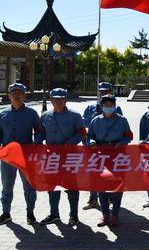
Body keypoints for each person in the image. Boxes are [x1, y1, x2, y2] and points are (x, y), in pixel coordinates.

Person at [35, 88, 85, 226]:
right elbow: (41, 132)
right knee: (52, 186)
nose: (58, 101)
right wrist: (37, 141)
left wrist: (71, 142)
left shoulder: (75, 116)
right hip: (52, 157)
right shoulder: (45, 115)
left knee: (72, 186)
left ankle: (73, 215)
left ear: (66, 99)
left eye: (61, 98)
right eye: (55, 98)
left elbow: (81, 133)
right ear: (51, 100)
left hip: (69, 157)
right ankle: (54, 214)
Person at [86, 95, 133, 227]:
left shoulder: (122, 120)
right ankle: (105, 215)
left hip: (117, 156)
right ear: (102, 106)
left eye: (111, 105)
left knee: (118, 187)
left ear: (115, 105)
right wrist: (92, 142)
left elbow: (129, 136)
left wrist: (121, 143)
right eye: (106, 105)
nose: (109, 107)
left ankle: (115, 216)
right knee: (101, 187)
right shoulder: (95, 121)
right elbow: (89, 136)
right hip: (101, 156)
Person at [0, 83, 40, 225]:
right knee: (6, 186)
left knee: (29, 186)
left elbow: (40, 131)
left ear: (24, 95)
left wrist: (36, 142)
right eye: (13, 93)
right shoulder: (3, 113)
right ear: (9, 96)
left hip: (26, 155)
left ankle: (30, 213)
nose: (16, 96)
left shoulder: (32, 113)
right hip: (7, 156)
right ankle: (5, 213)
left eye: (19, 93)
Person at [82, 82, 123, 210]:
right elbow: (84, 127)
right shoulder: (90, 108)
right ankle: (93, 198)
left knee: (109, 173)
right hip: (93, 146)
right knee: (93, 173)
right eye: (101, 91)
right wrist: (88, 142)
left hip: (110, 149)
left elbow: (120, 126)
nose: (103, 93)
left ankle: (109, 198)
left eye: (106, 91)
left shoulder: (116, 108)